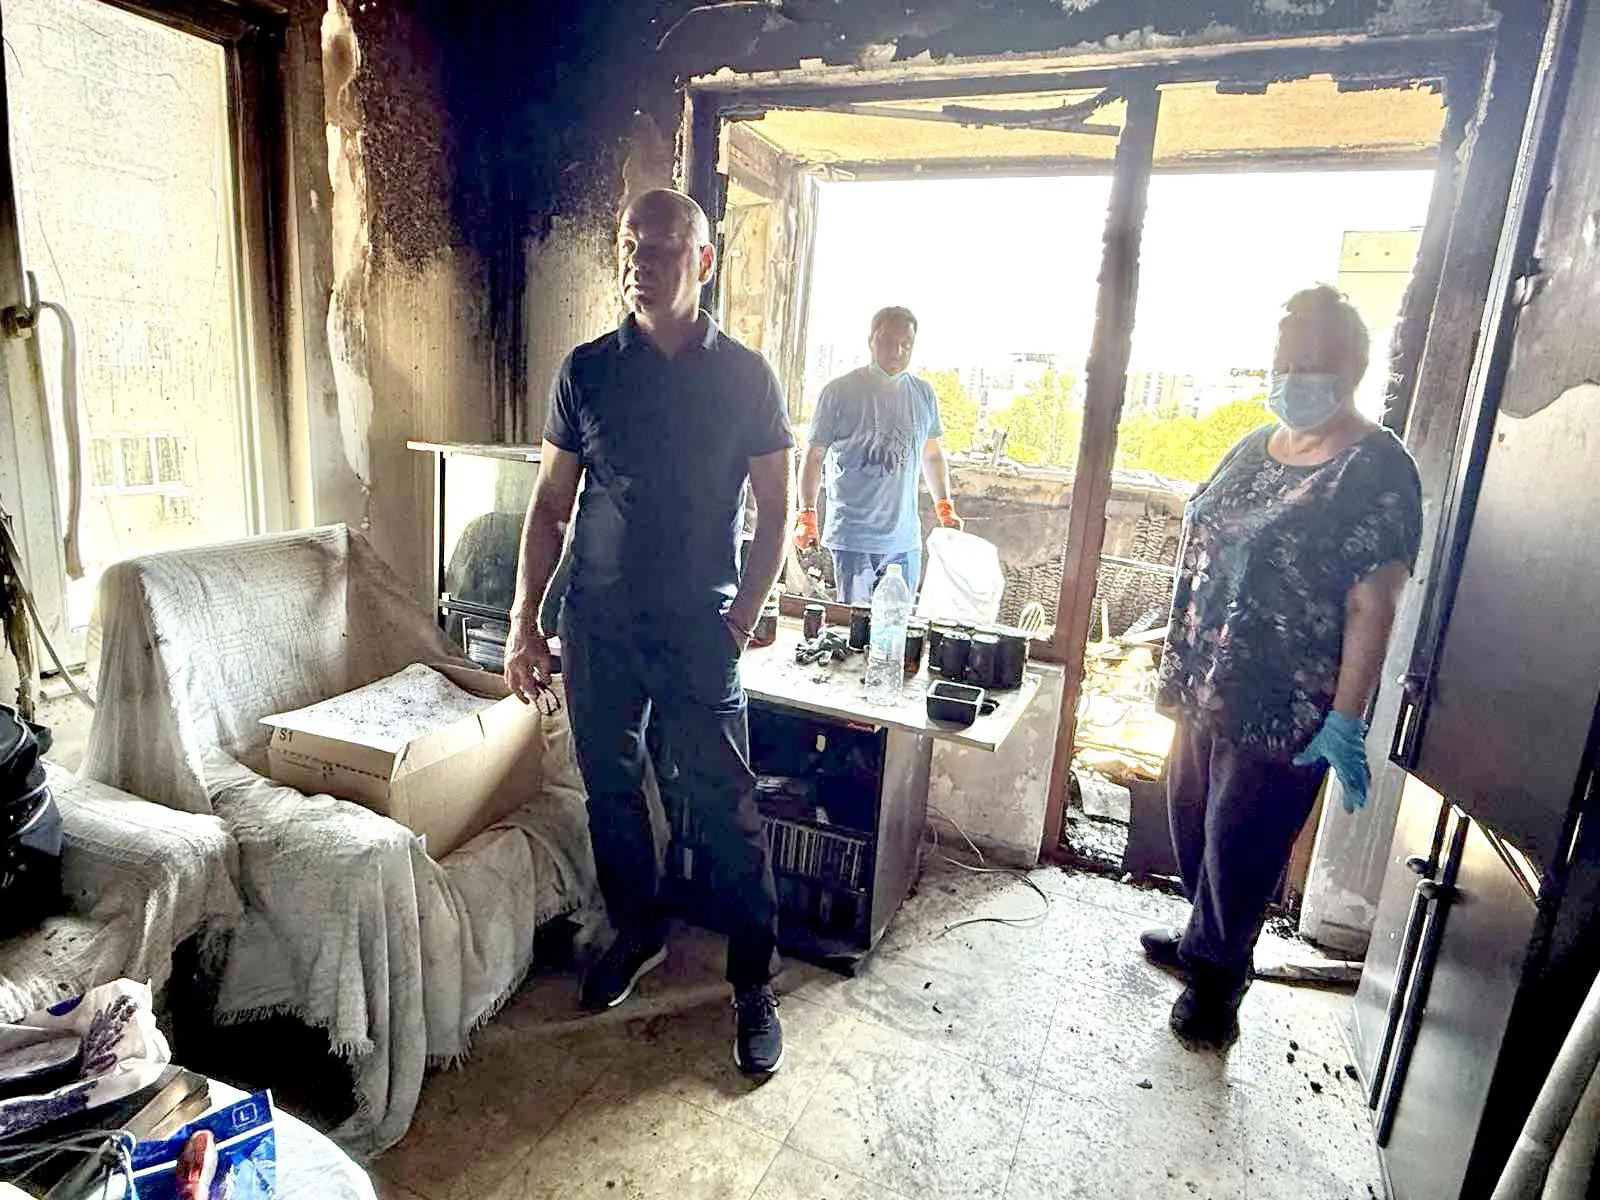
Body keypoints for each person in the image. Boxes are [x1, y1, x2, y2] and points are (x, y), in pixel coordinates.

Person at [503, 188, 793, 1077]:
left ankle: (752, 979)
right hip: (598, 626)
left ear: (703, 260)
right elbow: (551, 505)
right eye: (631, 244)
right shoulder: (588, 370)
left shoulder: (745, 377)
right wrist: (524, 622)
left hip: (701, 629)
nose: (643, 261)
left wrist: (741, 619)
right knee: (612, 792)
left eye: (664, 246)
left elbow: (777, 509)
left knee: (724, 801)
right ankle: (639, 932)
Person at [1143, 284, 1423, 1049]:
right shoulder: (1254, 445)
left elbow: (1374, 604)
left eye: (1312, 364)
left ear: (1352, 369)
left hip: (1285, 701)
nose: (1293, 378)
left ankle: (1218, 983)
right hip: (1205, 679)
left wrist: (1345, 720)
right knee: (1193, 820)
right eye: (1285, 362)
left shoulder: (1376, 468)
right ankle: (1204, 937)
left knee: (1244, 843)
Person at [793, 306, 962, 604]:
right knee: (855, 622)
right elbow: (814, 456)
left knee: (897, 620)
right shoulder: (839, 392)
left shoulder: (923, 394)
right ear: (871, 340)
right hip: (853, 536)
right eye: (888, 341)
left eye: (906, 344)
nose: (897, 351)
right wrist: (807, 513)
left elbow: (932, 455)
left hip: (903, 539)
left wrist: (945, 506)